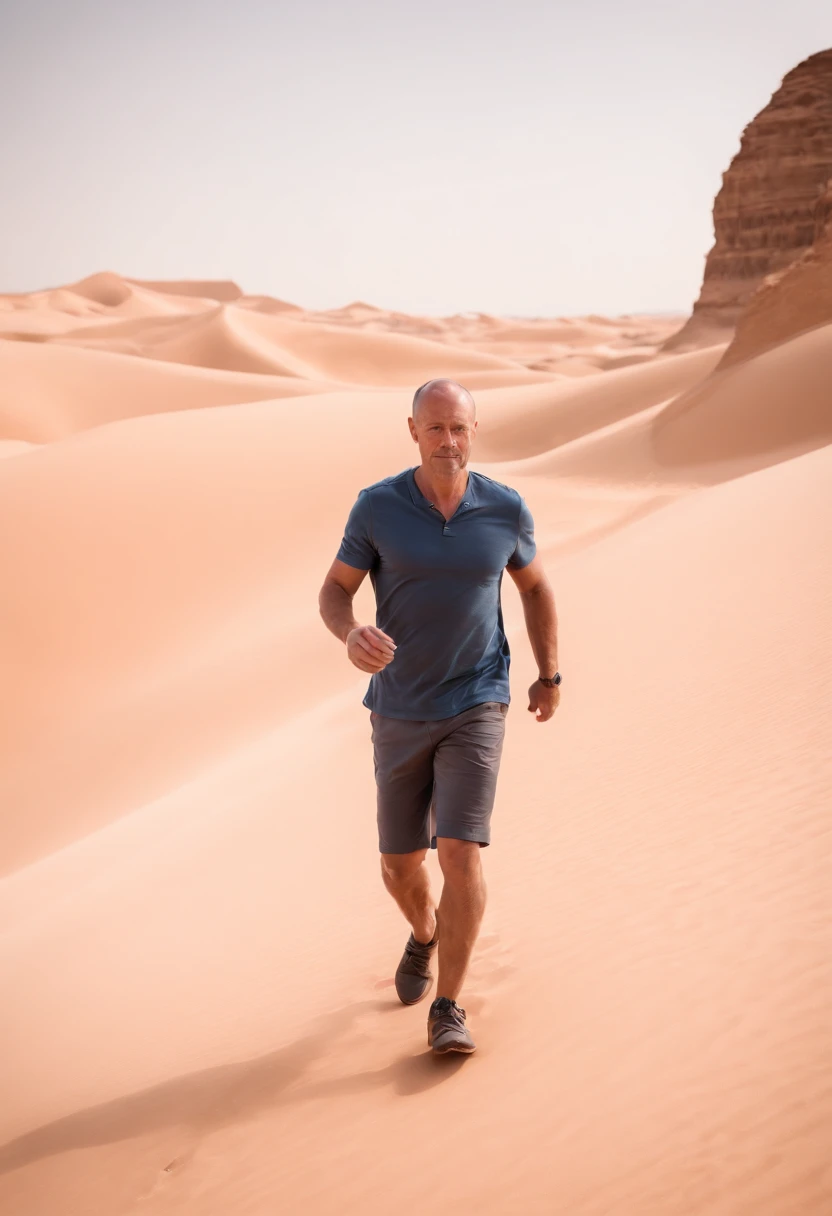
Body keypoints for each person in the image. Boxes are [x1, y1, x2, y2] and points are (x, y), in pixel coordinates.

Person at [318, 378, 560, 1054]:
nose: (448, 442)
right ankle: (424, 935)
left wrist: (548, 673)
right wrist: (349, 633)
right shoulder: (378, 507)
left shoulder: (505, 509)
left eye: (459, 428)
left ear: (473, 431)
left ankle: (448, 1007)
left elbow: (536, 588)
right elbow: (336, 589)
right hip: (398, 706)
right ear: (413, 431)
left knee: (459, 850)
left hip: (478, 699)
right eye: (435, 429)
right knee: (400, 866)